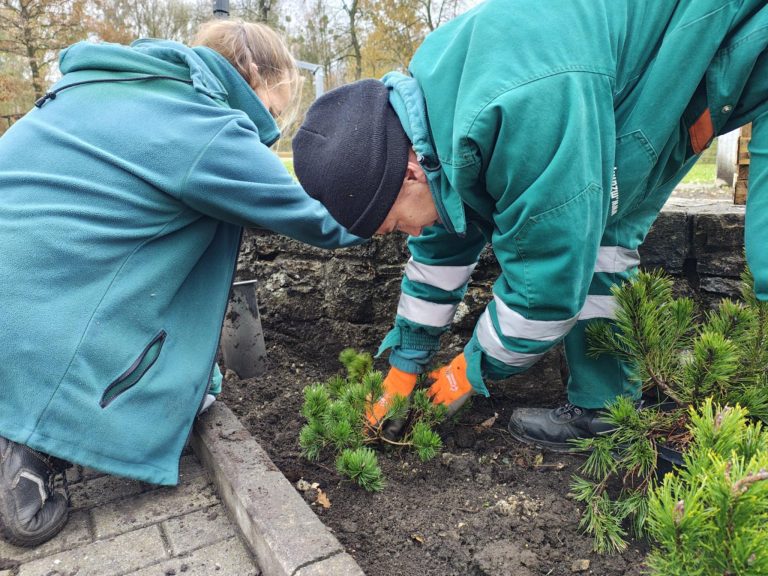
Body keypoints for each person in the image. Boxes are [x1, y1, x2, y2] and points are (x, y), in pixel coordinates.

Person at [293, 1, 768, 445]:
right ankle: (606, 410)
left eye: (397, 226)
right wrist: (405, 365)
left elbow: (547, 290)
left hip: (739, 31)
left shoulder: (521, 107)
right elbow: (444, 240)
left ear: (410, 173)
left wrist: (466, 372)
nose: (412, 235)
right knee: (601, 230)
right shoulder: (432, 110)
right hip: (644, 76)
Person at [0, 20, 361, 546]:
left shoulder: (99, 86)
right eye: (273, 111)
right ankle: (29, 452)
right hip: (36, 325)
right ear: (254, 74)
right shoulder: (204, 122)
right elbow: (317, 219)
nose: (270, 127)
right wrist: (405, 207)